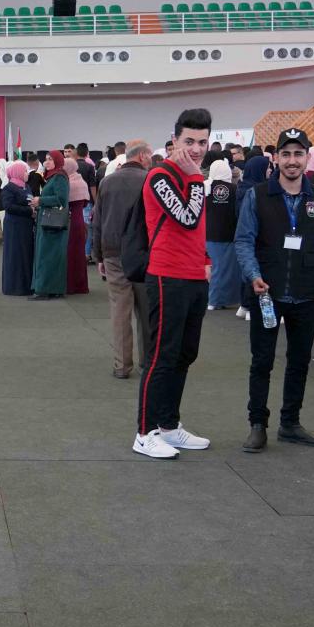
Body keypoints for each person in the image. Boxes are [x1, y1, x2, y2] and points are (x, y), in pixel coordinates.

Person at [232, 128, 314, 452]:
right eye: (286, 154)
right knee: (262, 361)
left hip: (307, 292)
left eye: (298, 154)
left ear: (307, 158)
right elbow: (243, 241)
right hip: (267, 291)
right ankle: (257, 424)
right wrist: (253, 274)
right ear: (276, 158)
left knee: (299, 360)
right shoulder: (257, 196)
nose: (292, 161)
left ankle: (290, 422)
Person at [134, 111, 213, 459]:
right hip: (167, 276)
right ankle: (145, 431)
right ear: (175, 141)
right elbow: (186, 215)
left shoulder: (191, 175)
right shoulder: (159, 175)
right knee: (161, 356)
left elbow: (197, 229)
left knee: (184, 354)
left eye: (202, 142)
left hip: (195, 276)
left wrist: (206, 260)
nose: (196, 149)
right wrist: (196, 179)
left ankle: (168, 425)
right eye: (189, 142)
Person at [94, 140, 152, 380]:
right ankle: (148, 363)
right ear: (141, 157)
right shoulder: (150, 181)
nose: (150, 160)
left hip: (113, 253)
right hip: (143, 254)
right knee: (147, 311)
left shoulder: (107, 182)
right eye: (148, 156)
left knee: (120, 312)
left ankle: (122, 365)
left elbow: (97, 221)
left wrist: (98, 255)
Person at [31, 155, 73, 300]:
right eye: (46, 158)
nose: (46, 161)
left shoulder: (59, 177)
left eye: (50, 159)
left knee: (47, 256)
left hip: (52, 224)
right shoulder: (54, 177)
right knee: (52, 256)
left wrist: (40, 200)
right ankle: (53, 289)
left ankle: (44, 289)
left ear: (58, 161)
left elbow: (61, 199)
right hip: (50, 222)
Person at [204, 154, 241, 310]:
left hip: (209, 233)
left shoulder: (205, 186)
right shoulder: (235, 189)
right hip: (229, 233)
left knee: (215, 267)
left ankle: (214, 299)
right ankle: (220, 299)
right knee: (227, 269)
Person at [0, 160, 34, 297]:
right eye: (25, 171)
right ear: (18, 172)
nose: (27, 173)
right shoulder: (9, 188)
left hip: (26, 226)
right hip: (14, 227)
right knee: (15, 255)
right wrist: (29, 211)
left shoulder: (26, 187)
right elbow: (9, 207)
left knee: (26, 254)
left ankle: (27, 286)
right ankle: (14, 287)